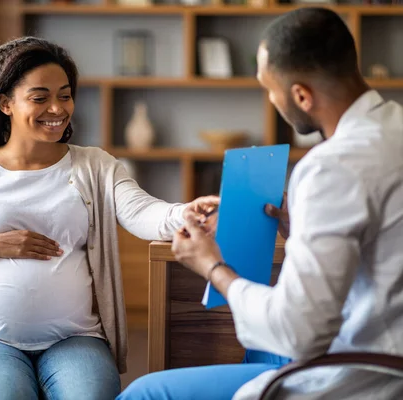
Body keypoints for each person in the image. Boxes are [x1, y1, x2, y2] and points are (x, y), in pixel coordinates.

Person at [118, 7, 403, 400]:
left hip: (366, 372)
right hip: (382, 335)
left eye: (270, 89)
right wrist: (300, 226)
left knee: (146, 393)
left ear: (301, 95)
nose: (271, 100)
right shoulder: (393, 127)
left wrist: (212, 266)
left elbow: (297, 331)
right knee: (258, 349)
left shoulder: (330, 167)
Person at [0, 36, 212, 400]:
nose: (57, 108)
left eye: (64, 95)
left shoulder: (95, 165)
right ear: (5, 103)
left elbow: (143, 211)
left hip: (74, 338)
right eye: (40, 98)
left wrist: (186, 212)